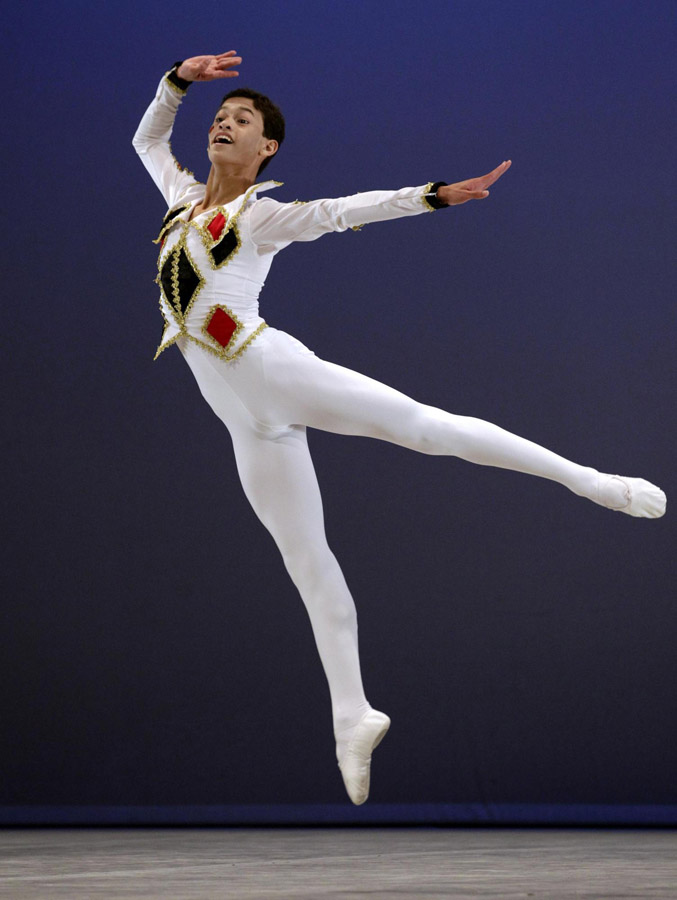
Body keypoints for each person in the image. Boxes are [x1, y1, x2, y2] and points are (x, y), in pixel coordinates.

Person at [132, 50, 666, 805]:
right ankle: (351, 715)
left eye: (241, 120)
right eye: (221, 116)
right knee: (308, 566)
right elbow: (148, 141)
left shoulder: (260, 216)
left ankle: (589, 480)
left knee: (424, 427)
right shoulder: (180, 200)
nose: (224, 123)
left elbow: (345, 210)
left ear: (267, 149)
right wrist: (178, 84)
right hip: (244, 422)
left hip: (273, 368)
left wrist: (433, 197)